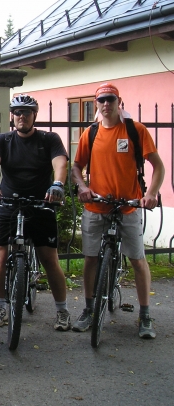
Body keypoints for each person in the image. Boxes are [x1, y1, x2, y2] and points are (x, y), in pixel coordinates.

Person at [71, 83, 164, 339]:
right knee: (90, 258)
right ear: (96, 103)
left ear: (118, 101)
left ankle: (145, 315)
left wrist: (150, 193)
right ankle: (89, 309)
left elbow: (158, 166)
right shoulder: (90, 133)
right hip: (96, 205)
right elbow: (76, 166)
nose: (106, 104)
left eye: (110, 99)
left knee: (137, 260)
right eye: (101, 100)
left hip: (128, 206)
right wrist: (82, 187)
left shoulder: (135, 130)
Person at [0, 94, 72, 331]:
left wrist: (58, 184)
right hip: (10, 203)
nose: (22, 116)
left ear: (34, 115)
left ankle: (62, 311)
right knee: (3, 255)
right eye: (18, 112)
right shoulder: (3, 140)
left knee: (49, 259)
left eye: (27, 112)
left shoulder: (49, 139)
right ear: (12, 116)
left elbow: (60, 163)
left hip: (41, 203)